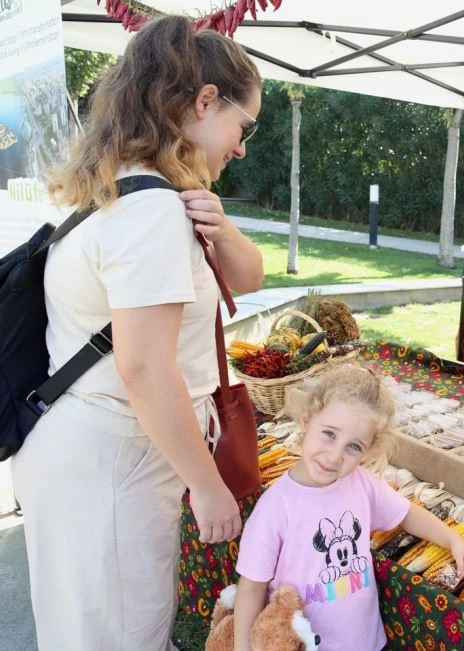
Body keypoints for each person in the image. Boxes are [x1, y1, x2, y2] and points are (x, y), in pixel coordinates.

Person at [10, 16, 265, 651]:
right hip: (115, 460)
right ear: (205, 101)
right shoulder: (151, 212)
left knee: (86, 631)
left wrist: (224, 230)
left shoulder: (113, 187)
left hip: (86, 449)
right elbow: (145, 369)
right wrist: (207, 486)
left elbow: (250, 279)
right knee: (121, 635)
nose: (240, 148)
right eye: (244, 126)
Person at [233, 364, 464, 651]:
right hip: (302, 644)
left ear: (369, 450)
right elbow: (251, 587)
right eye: (329, 433)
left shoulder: (362, 484)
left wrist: (453, 539)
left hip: (363, 641)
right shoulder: (276, 507)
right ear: (306, 421)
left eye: (354, 447)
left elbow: (407, 514)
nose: (335, 455)